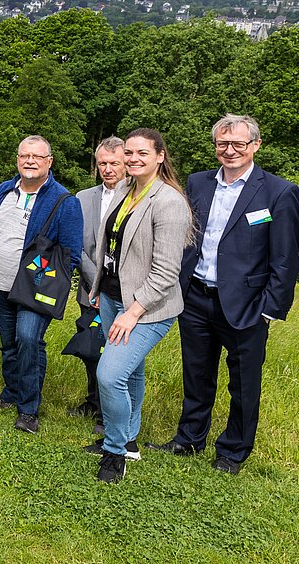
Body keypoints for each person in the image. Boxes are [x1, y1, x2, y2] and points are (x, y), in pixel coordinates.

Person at [148, 114, 298, 475]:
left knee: (244, 382)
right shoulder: (198, 183)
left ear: (255, 146)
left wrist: (270, 310)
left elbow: (286, 257)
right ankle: (189, 439)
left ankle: (233, 451)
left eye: (238, 144)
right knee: (196, 374)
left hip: (248, 305)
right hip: (196, 297)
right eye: (222, 144)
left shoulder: (279, 191)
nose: (229, 151)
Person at [83, 129, 192, 483]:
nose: (132, 159)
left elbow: (165, 271)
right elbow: (109, 245)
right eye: (128, 153)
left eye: (141, 153)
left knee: (110, 375)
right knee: (131, 372)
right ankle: (128, 439)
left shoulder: (169, 202)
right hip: (113, 296)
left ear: (160, 156)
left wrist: (132, 313)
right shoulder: (126, 191)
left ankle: (115, 453)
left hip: (148, 308)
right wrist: (99, 286)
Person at [0, 135, 82, 435]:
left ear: (49, 162)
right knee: (10, 343)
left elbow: (71, 254)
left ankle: (29, 409)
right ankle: (12, 392)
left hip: (35, 291)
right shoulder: (2, 191)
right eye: (24, 155)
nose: (30, 161)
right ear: (17, 159)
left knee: (28, 339)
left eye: (37, 156)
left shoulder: (64, 201)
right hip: (1, 285)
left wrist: (39, 279)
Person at [71, 137, 126, 430]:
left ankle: (110, 415)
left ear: (126, 163)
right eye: (102, 163)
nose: (107, 169)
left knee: (115, 355)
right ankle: (93, 401)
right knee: (91, 349)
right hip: (90, 290)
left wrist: (107, 287)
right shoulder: (83, 197)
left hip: (122, 294)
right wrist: (95, 286)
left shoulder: (137, 196)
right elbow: (75, 246)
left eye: (113, 163)